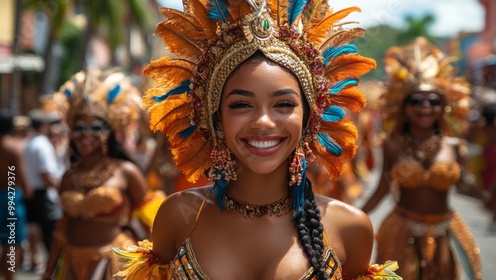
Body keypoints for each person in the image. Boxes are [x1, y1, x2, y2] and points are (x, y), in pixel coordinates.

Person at [114, 1, 401, 279]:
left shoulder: (348, 227)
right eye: (241, 105)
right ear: (215, 120)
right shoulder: (179, 216)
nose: (263, 122)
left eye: (284, 105)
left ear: (309, 118)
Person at [360, 37, 482, 279]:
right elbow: (382, 190)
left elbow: (464, 184)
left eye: (433, 100)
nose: (425, 106)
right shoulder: (393, 146)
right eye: (416, 100)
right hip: (402, 231)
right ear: (404, 107)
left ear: (443, 107)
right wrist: (352, 216)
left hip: (445, 231)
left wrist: (489, 195)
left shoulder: (455, 146)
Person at [41, 68, 152, 280]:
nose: (86, 134)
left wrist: (156, 265)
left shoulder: (125, 171)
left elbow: (150, 220)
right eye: (80, 127)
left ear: (108, 133)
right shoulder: (69, 176)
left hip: (113, 263)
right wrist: (48, 272)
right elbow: (61, 229)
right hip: (72, 263)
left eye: (96, 128)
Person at [23, 108, 63, 272]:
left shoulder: (29, 143)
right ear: (43, 125)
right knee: (51, 234)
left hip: (32, 193)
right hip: (43, 194)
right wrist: (61, 190)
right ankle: (53, 269)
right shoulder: (42, 144)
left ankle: (40, 264)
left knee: (34, 229)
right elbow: (46, 174)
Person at [0, 110, 31, 280]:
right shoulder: (13, 147)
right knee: (11, 241)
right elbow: (18, 176)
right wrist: (27, 191)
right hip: (10, 197)